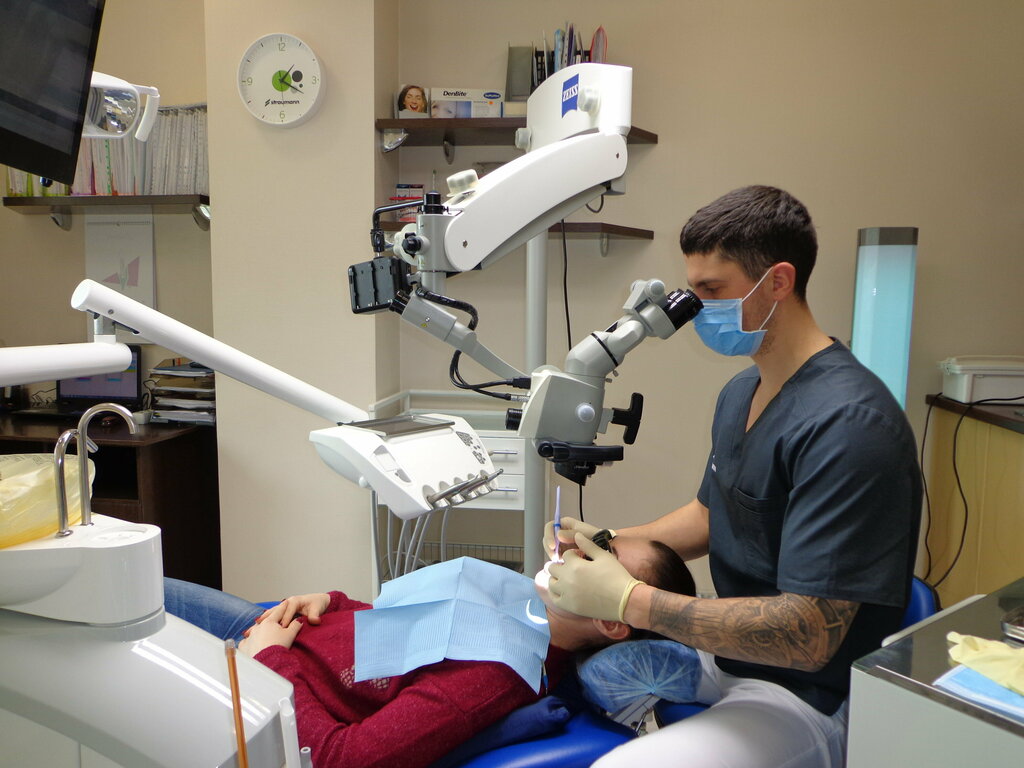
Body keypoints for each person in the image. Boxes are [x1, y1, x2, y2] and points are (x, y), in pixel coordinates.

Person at [546, 185, 922, 768]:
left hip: (804, 691)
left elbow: (808, 635)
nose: (695, 308)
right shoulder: (742, 391)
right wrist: (609, 545)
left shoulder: (850, 424)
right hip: (728, 653)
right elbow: (711, 514)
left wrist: (631, 599)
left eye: (712, 290)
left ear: (778, 282)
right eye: (692, 289)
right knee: (547, 661)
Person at [164, 535, 695, 768]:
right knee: (124, 574)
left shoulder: (491, 680)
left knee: (118, 605)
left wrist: (269, 664)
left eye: (602, 559)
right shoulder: (524, 610)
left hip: (249, 690)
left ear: (612, 623)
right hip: (277, 634)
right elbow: (410, 626)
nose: (577, 550)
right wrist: (333, 602)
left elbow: (341, 761)